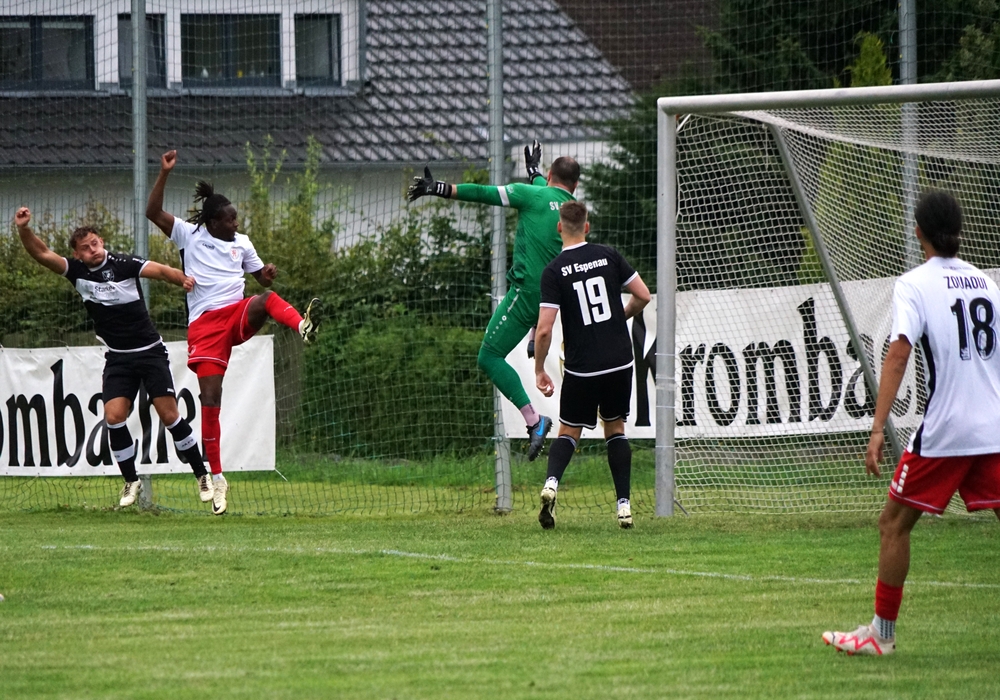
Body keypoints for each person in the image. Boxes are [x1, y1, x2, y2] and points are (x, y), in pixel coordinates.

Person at [823, 190, 1000, 656]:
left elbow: (898, 354)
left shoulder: (914, 284)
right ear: (958, 231)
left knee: (894, 523)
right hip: (994, 429)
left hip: (947, 432)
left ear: (918, 231)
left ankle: (881, 635)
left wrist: (877, 428)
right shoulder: (986, 284)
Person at [145, 150, 319, 515]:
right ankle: (218, 478)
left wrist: (266, 275)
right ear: (211, 222)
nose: (235, 224)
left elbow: (261, 279)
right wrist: (164, 173)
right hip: (205, 326)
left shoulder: (243, 243)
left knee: (267, 299)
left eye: (236, 218)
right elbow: (152, 212)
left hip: (236, 314)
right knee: (211, 399)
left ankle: (302, 326)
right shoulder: (188, 234)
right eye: (229, 219)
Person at [14, 206, 212, 507]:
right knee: (114, 417)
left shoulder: (124, 264)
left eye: (95, 243)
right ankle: (131, 481)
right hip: (118, 358)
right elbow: (42, 253)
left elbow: (160, 271)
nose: (92, 250)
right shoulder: (76, 272)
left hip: (150, 353)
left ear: (102, 242)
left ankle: (201, 474)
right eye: (85, 248)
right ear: (77, 254)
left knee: (170, 416)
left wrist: (182, 280)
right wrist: (24, 229)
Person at [407, 141, 578, 460]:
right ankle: (534, 337)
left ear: (550, 176)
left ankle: (535, 421)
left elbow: (485, 193)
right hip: (555, 297)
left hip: (527, 293)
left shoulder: (531, 196)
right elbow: (547, 191)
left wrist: (440, 188)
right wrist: (534, 171)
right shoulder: (572, 207)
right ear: (575, 185)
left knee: (489, 356)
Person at [533, 201, 651, 529]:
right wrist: (619, 317)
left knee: (569, 430)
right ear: (587, 227)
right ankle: (624, 506)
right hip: (618, 361)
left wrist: (539, 368)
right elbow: (643, 295)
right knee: (615, 428)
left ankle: (551, 484)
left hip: (583, 366)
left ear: (560, 228)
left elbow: (544, 330)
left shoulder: (554, 270)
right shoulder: (609, 255)